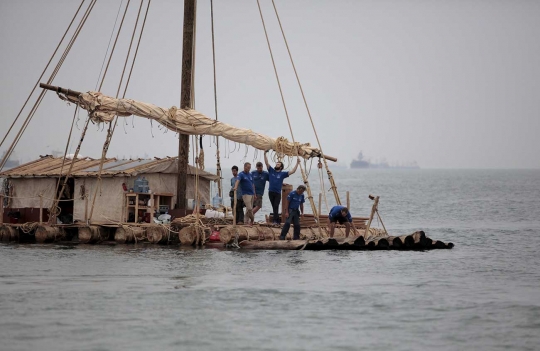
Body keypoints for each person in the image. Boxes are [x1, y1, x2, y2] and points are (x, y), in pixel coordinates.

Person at [264, 151, 300, 225]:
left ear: (281, 167)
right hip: (270, 192)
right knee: (274, 206)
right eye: (276, 164)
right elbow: (266, 163)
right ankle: (276, 220)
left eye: (278, 164)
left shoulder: (282, 174)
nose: (276, 165)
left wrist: (297, 163)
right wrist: (265, 154)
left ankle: (276, 221)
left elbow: (292, 171)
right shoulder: (271, 171)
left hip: (277, 192)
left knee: (276, 205)